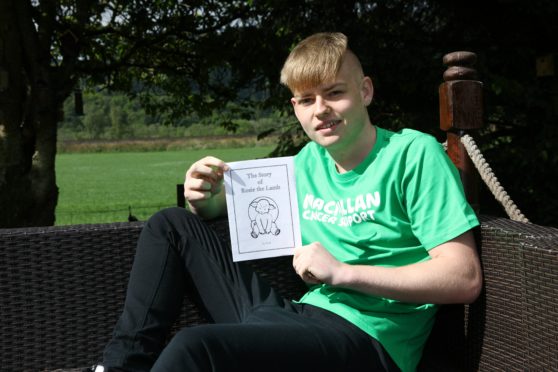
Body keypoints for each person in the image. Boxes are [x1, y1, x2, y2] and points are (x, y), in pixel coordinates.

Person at [89, 32, 482, 372]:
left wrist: (343, 272)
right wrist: (205, 201)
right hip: (296, 316)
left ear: (365, 91)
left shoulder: (413, 154)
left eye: (334, 93)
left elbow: (463, 277)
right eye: (306, 99)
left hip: (368, 341)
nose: (321, 110)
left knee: (196, 346)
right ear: (295, 108)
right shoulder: (303, 164)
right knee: (170, 225)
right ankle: (119, 365)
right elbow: (239, 215)